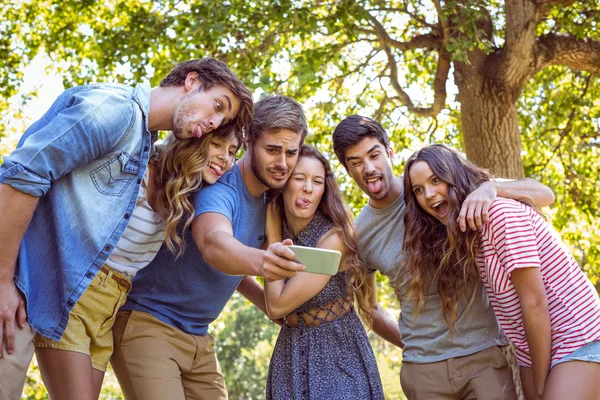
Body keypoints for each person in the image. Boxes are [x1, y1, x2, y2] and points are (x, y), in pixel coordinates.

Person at [0, 58, 253, 400]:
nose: (212, 123)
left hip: (109, 308)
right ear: (191, 81)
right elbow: (22, 174)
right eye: (217, 107)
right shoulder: (116, 110)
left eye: (222, 124)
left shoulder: (147, 149)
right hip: (64, 291)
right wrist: (3, 281)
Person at [331, 115, 556, 399]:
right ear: (347, 170)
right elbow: (369, 307)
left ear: (389, 152)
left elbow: (543, 193)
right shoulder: (360, 235)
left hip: (483, 356)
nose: (369, 168)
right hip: (423, 371)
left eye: (374, 155)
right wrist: (416, 346)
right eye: (356, 163)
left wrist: (491, 188)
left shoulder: (438, 186)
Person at [110, 94, 309, 400]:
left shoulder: (265, 200)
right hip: (149, 325)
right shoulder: (221, 188)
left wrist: (270, 307)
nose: (283, 163)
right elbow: (214, 245)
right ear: (250, 141)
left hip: (199, 338)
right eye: (272, 150)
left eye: (291, 153)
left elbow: (231, 266)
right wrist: (263, 260)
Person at [402, 144, 600, 400]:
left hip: (578, 336)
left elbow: (535, 303)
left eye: (435, 180)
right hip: (532, 346)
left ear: (455, 175)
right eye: (418, 190)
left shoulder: (498, 214)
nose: (428, 194)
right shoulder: (464, 231)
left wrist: (540, 386)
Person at [263, 144, 384, 399]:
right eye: (299, 178)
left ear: (323, 191)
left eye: (317, 182)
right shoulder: (272, 228)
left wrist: (273, 239)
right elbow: (270, 305)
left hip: (338, 351)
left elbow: (276, 305)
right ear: (283, 183)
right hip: (291, 351)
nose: (308, 187)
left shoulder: (334, 239)